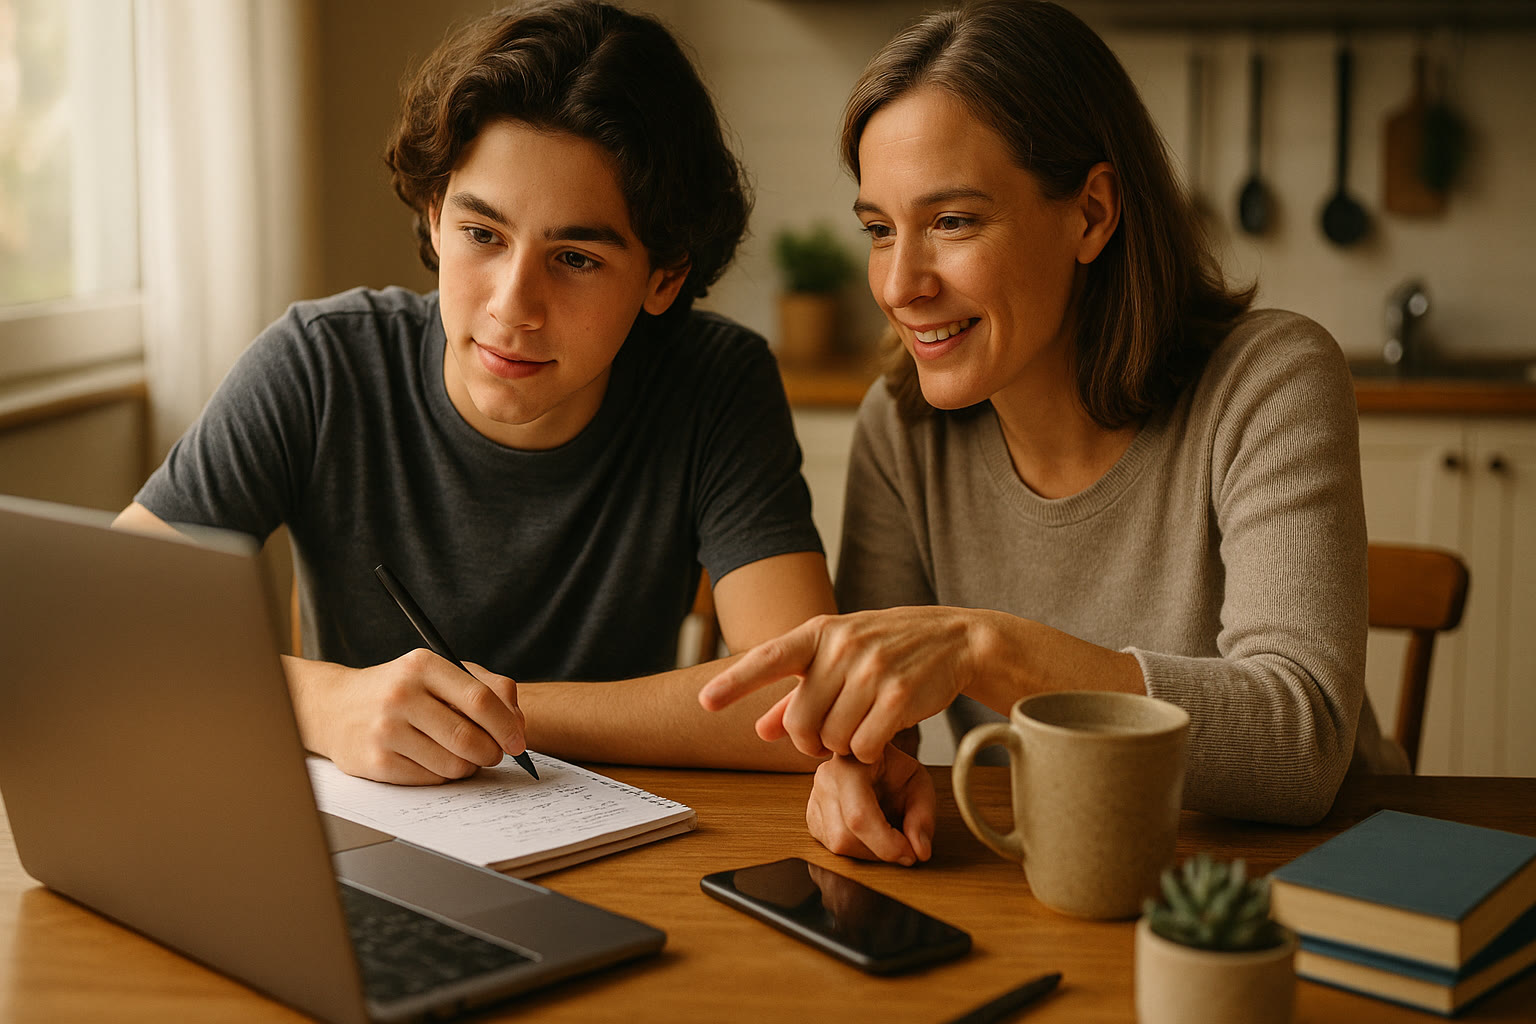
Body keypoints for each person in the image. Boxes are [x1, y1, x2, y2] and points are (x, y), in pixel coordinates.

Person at [701, 0, 1407, 865]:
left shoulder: (1269, 381)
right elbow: (877, 709)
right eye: (880, 231)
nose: (899, 284)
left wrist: (985, 649)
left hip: (1306, 882)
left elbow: (1301, 749)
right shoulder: (905, 424)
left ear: (1092, 213)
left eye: (953, 222)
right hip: (1054, 868)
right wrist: (853, 762)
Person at [115, 0, 836, 784]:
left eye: (576, 259)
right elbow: (106, 622)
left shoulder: (714, 384)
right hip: (364, 855)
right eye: (482, 235)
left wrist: (494, 715)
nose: (511, 306)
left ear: (663, 277)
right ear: (433, 215)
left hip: (618, 851)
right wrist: (323, 703)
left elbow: (804, 707)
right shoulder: (321, 366)